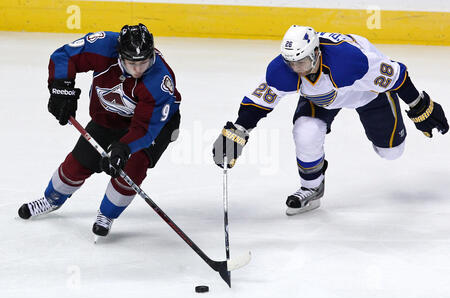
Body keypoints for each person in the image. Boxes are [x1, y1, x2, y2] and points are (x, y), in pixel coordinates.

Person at [212, 25, 448, 215]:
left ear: (316, 53)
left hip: (368, 94)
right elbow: (260, 102)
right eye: (291, 64)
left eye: (301, 63)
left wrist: (419, 104)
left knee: (391, 152)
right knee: (305, 131)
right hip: (321, 100)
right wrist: (238, 130)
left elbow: (397, 75)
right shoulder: (284, 69)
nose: (296, 69)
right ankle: (311, 188)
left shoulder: (352, 62)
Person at [18, 24, 182, 238]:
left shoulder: (159, 81)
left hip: (155, 126)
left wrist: (123, 148)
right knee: (78, 163)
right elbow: (64, 56)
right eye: (132, 63)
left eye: (144, 62)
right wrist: (61, 90)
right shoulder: (103, 46)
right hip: (109, 117)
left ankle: (107, 214)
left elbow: (145, 128)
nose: (138, 70)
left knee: (131, 168)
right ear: (120, 55)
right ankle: (51, 200)